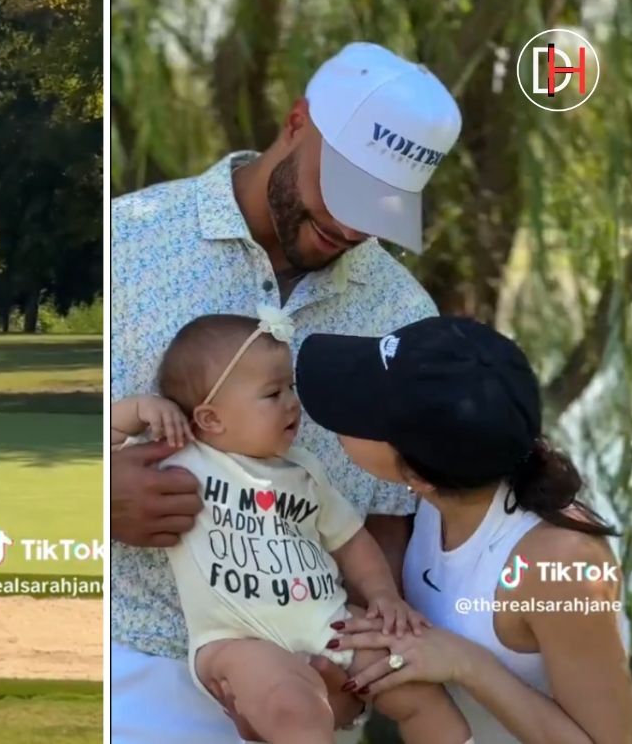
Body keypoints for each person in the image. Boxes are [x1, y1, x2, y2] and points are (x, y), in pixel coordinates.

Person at [110, 42, 461, 742]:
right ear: (298, 120)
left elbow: (390, 516)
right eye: (346, 189)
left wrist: (349, 678)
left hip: (313, 678)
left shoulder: (403, 318)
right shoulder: (127, 241)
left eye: (383, 207)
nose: (353, 226)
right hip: (129, 666)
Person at [111, 309, 472, 744]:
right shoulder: (183, 458)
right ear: (211, 419)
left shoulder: (305, 470)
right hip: (238, 637)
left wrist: (382, 597)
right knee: (291, 708)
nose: (292, 403)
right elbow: (106, 442)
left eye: (291, 388)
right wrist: (140, 409)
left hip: (329, 621)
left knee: (415, 686)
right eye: (273, 393)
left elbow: (351, 540)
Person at [295, 315, 632, 744]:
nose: (345, 409)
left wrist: (467, 664)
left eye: (365, 411)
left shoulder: (562, 564)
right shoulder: (435, 497)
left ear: (419, 475)